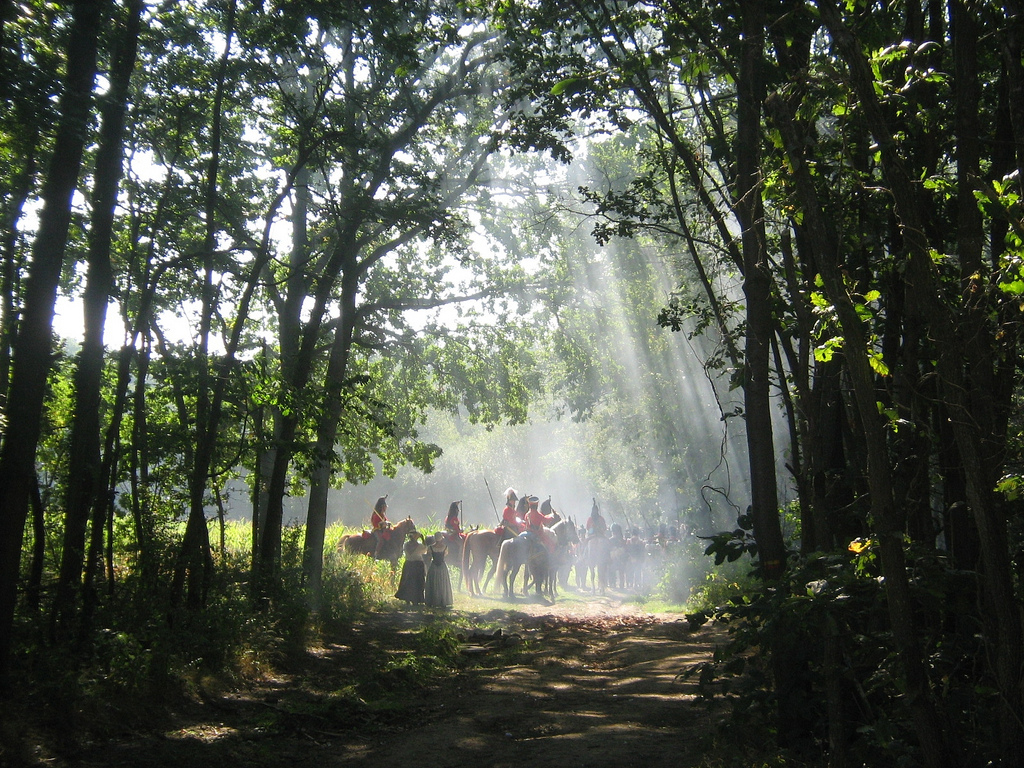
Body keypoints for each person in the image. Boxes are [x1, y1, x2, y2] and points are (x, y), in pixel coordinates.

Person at [395, 531, 428, 604]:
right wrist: (423, 539)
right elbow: (425, 550)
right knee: (418, 582)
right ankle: (416, 599)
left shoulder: (406, 545)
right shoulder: (419, 546)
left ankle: (407, 598)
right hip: (417, 564)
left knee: (407, 581)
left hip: (408, 564)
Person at [424, 534, 454, 608]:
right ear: (441, 539)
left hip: (434, 566)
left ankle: (432, 600)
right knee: (442, 582)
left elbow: (429, 557)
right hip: (442, 566)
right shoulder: (445, 547)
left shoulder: (430, 547)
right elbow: (445, 555)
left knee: (433, 582)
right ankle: (443, 600)